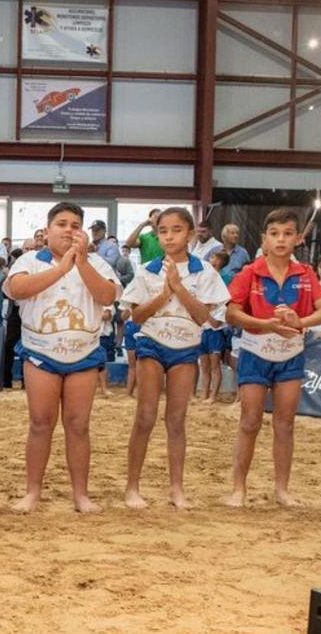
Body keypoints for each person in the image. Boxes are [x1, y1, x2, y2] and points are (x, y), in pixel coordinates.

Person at [5, 202, 121, 513]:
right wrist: (61, 269)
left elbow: (108, 296)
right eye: (61, 224)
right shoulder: (31, 259)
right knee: (40, 423)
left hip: (83, 354)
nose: (68, 230)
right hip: (40, 352)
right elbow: (18, 289)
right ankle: (32, 492)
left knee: (78, 425)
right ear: (47, 230)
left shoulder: (97, 263)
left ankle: (81, 494)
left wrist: (81, 262)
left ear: (83, 232)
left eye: (74, 225)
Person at [120, 208, 230, 510]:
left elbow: (203, 316)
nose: (169, 236)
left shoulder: (204, 271)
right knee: (145, 416)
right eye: (164, 231)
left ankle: (176, 488)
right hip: (152, 344)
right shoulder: (147, 270)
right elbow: (136, 315)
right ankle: (132, 487)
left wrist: (178, 288)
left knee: (177, 420)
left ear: (190, 234)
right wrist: (162, 295)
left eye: (177, 229)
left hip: (185, 348)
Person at [225, 207, 321, 508]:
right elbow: (231, 313)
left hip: (291, 355)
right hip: (255, 352)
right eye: (274, 234)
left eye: (287, 234)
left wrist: (301, 322)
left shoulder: (306, 273)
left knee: (285, 424)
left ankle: (282, 490)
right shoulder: (249, 272)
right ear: (264, 239)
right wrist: (264, 325)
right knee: (249, 422)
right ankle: (238, 489)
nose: (280, 240)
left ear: (298, 238)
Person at [199, 250, 233, 403]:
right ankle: (204, 393)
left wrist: (204, 310)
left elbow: (215, 323)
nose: (212, 260)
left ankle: (213, 395)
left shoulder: (221, 299)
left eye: (215, 257)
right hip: (204, 330)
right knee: (204, 366)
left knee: (214, 366)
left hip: (214, 332)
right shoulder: (206, 277)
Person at [121, 306, 140, 397]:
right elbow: (123, 317)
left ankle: (137, 390)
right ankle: (129, 392)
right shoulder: (130, 294)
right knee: (132, 365)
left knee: (144, 363)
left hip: (146, 324)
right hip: (131, 326)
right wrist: (129, 308)